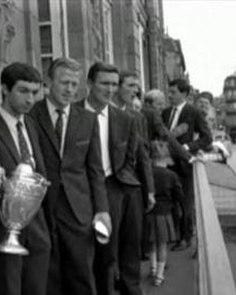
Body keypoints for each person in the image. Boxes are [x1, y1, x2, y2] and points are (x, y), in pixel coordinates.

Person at [0, 62, 51, 295]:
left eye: (35, 92)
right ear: (4, 89)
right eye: (23, 91)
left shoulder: (31, 125)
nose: (30, 99)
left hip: (38, 228)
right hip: (2, 230)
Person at [29, 57, 111, 295]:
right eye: (64, 83)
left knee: (81, 275)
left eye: (75, 85)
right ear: (48, 82)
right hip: (41, 208)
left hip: (78, 210)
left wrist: (102, 209)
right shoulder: (30, 116)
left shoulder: (87, 119)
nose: (70, 90)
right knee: (47, 277)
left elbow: (95, 169)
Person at [77, 62, 142, 295]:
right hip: (81, 190)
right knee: (95, 253)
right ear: (90, 84)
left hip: (115, 187)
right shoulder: (73, 114)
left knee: (123, 250)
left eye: (115, 84)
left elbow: (131, 157)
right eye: (105, 83)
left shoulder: (126, 119)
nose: (111, 89)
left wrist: (120, 186)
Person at [110, 71, 154, 295]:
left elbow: (143, 155)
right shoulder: (94, 113)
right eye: (130, 85)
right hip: (104, 188)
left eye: (137, 86)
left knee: (131, 244)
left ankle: (132, 289)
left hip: (130, 187)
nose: (135, 90)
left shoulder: (137, 117)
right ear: (117, 87)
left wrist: (150, 190)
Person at [162, 78, 212, 251]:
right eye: (169, 92)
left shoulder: (193, 113)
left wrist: (188, 147)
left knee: (185, 203)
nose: (169, 95)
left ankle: (186, 237)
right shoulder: (165, 112)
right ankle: (173, 235)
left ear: (184, 93)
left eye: (173, 92)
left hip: (184, 165)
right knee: (171, 203)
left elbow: (207, 138)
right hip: (166, 164)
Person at [146, 140, 183, 287]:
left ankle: (152, 268)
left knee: (151, 243)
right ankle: (160, 275)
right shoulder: (172, 176)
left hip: (149, 213)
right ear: (166, 158)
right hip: (165, 213)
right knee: (162, 245)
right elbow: (179, 196)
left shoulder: (147, 173)